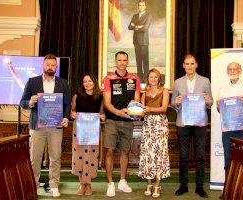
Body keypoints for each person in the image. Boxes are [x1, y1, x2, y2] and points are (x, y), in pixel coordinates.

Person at [20, 54, 71, 198]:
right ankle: (34, 185)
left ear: (56, 67)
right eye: (48, 64)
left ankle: (54, 185)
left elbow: (67, 104)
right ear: (43, 65)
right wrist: (30, 101)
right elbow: (22, 103)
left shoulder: (63, 83)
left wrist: (66, 117)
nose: (50, 67)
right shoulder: (32, 82)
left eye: (53, 65)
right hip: (37, 127)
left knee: (56, 157)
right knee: (34, 158)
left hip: (56, 126)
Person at [171, 54, 213, 198]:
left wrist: (208, 100)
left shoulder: (205, 81)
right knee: (183, 156)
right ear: (183, 65)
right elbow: (173, 102)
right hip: (183, 123)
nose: (189, 66)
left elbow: (211, 102)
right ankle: (183, 186)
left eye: (192, 63)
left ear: (196, 65)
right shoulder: (177, 82)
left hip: (200, 123)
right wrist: (176, 101)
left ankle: (200, 187)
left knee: (200, 156)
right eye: (187, 64)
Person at [102, 51, 141, 197]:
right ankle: (110, 183)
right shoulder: (108, 79)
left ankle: (122, 181)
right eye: (119, 60)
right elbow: (106, 103)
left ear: (127, 62)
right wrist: (118, 112)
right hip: (112, 120)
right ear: (115, 62)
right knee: (110, 150)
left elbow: (136, 100)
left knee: (125, 151)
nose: (122, 62)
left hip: (128, 121)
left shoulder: (134, 78)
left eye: (125, 60)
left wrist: (133, 107)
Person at [216, 62, 243, 172]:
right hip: (228, 127)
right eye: (230, 69)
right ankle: (229, 188)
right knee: (228, 159)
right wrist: (218, 106)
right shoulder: (222, 89)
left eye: (235, 69)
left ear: (240, 71)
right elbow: (219, 111)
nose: (232, 71)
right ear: (227, 72)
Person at [70, 73, 105, 196]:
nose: (87, 83)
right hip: (79, 130)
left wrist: (102, 116)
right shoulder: (77, 96)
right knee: (79, 156)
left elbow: (102, 114)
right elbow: (72, 111)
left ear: (94, 82)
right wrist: (72, 114)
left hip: (93, 131)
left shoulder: (100, 97)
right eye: (85, 81)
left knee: (91, 156)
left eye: (89, 81)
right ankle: (81, 184)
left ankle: (89, 184)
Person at [138, 68, 170, 198]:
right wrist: (133, 108)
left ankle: (157, 184)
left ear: (159, 78)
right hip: (148, 125)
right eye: (151, 77)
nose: (153, 79)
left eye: (155, 77)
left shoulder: (165, 91)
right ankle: (149, 184)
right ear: (148, 78)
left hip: (160, 124)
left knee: (159, 153)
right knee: (148, 153)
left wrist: (149, 108)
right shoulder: (144, 94)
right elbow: (140, 111)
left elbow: (164, 108)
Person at [128, 0, 152, 82]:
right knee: (138, 60)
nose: (141, 7)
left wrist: (135, 26)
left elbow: (145, 28)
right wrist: (139, 26)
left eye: (143, 5)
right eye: (140, 5)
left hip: (144, 41)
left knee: (145, 60)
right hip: (136, 41)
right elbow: (129, 27)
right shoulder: (135, 16)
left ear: (145, 7)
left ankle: (146, 78)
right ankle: (139, 77)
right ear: (138, 6)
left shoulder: (148, 15)